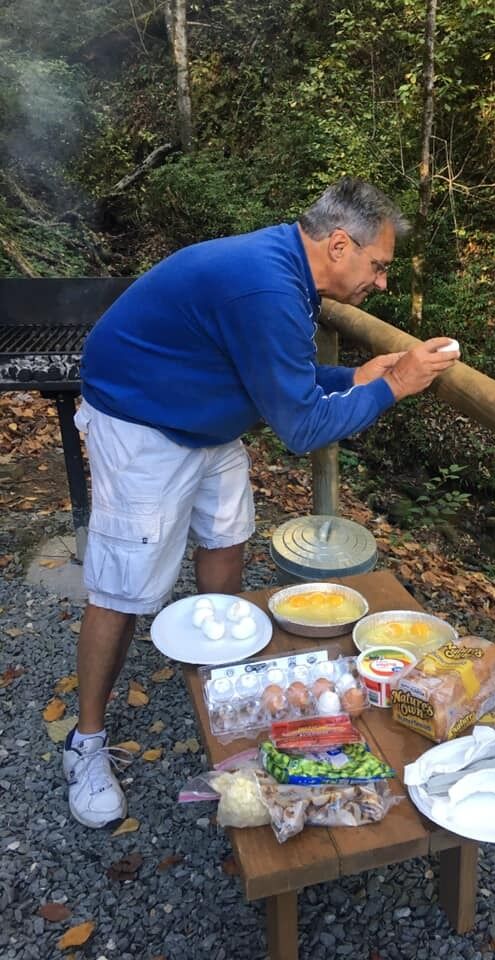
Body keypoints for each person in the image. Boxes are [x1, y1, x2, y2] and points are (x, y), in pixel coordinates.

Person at [63, 176, 460, 828]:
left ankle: (224, 695)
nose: (383, 283)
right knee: (123, 589)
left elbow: (281, 375)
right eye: (379, 266)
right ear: (339, 245)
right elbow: (301, 428)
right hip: (141, 420)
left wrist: (358, 376)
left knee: (226, 540)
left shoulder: (283, 268)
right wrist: (396, 387)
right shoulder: (267, 286)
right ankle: (87, 743)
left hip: (205, 415)